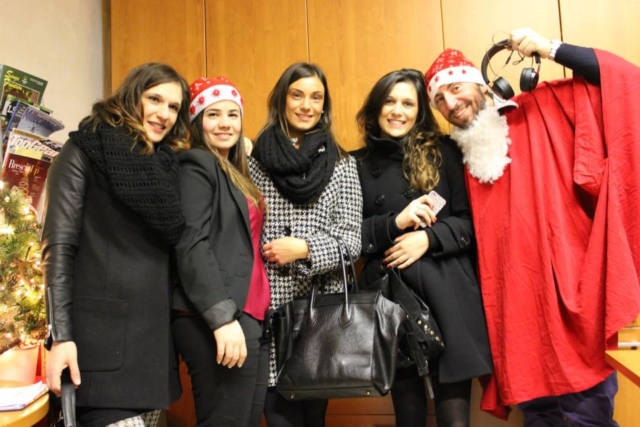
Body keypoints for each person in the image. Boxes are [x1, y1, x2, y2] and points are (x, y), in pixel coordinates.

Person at [425, 28, 640, 425]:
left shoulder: (543, 106)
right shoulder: (457, 157)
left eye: (455, 89)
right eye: (439, 99)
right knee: (539, 418)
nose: (450, 104)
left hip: (573, 303)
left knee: (588, 416)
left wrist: (550, 48)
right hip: (516, 321)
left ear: (481, 83)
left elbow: (623, 81)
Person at [41, 63, 190, 426]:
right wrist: (61, 337)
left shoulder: (167, 165)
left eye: (174, 106)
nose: (164, 114)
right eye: (154, 99)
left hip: (152, 352)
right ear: (131, 96)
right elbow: (58, 247)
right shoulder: (84, 149)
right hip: (100, 350)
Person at [352, 69, 493, 427]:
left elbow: (471, 221)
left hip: (448, 293)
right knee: (408, 416)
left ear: (419, 111)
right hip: (391, 297)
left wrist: (429, 238)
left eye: (408, 103)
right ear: (376, 108)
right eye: (390, 101)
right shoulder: (355, 164)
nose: (398, 111)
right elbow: (349, 235)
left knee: (455, 420)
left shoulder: (445, 152)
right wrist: (394, 224)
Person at [249, 62, 362, 427]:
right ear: (282, 99)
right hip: (267, 308)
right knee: (276, 413)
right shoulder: (253, 161)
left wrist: (305, 249)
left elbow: (352, 240)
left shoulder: (342, 163)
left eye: (316, 97)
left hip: (319, 311)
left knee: (313, 417)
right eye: (297, 95)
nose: (306, 105)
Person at [171, 76, 270, 427]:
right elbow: (191, 243)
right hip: (218, 315)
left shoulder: (233, 170)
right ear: (197, 121)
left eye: (233, 114)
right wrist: (222, 319)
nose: (225, 123)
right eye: (213, 115)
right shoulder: (197, 164)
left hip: (250, 313)